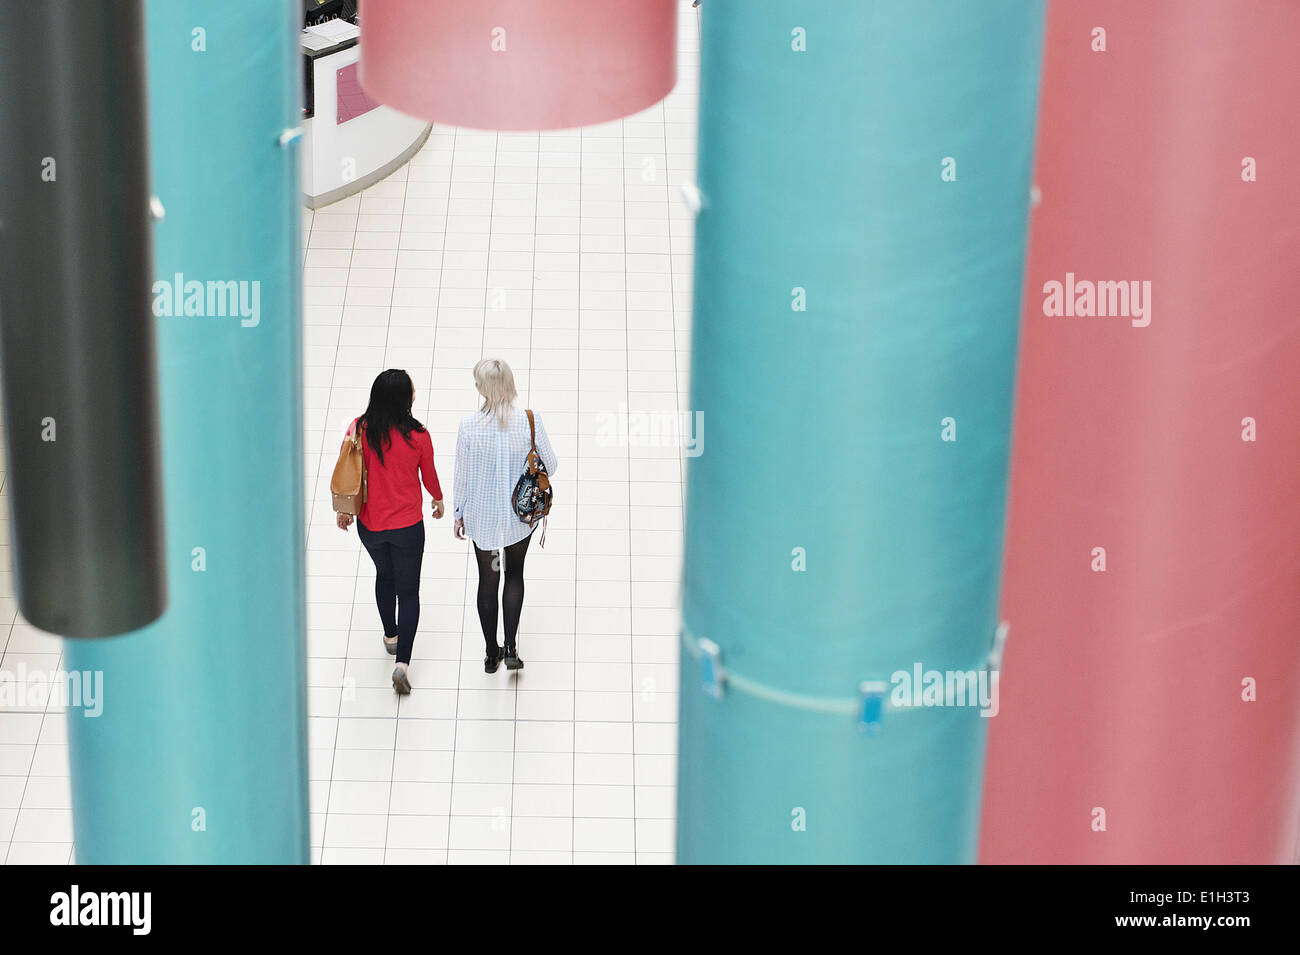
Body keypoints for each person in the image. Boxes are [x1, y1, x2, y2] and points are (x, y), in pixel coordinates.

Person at [336, 369, 444, 695]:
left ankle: (390, 636)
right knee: (409, 592)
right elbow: (430, 477)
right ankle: (402, 665)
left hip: (370, 526)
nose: (415, 393)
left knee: (384, 576)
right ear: (403, 398)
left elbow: (345, 471)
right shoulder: (419, 436)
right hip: (408, 526)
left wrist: (343, 509)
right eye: (412, 390)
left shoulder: (358, 428)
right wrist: (438, 500)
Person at [454, 358, 558, 674]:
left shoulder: (469, 426)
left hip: (483, 523)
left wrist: (458, 514)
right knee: (514, 575)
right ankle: (512, 646)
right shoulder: (530, 420)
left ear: (484, 389)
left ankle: (491, 652)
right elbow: (550, 465)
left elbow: (462, 477)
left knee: (488, 580)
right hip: (518, 520)